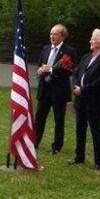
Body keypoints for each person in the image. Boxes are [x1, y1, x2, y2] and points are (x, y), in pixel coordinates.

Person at [70, 29, 100, 170]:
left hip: (92, 100)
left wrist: (83, 89)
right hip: (80, 100)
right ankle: (79, 157)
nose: (90, 41)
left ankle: (99, 162)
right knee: (79, 129)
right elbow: (76, 73)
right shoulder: (86, 57)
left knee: (95, 131)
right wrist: (75, 87)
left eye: (93, 39)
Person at [34, 24, 77, 154]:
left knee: (59, 119)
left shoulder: (69, 51)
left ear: (62, 36)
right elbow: (40, 63)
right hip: (45, 89)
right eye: (51, 34)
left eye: (55, 34)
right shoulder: (45, 49)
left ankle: (56, 146)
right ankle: (34, 141)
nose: (52, 36)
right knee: (39, 117)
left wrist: (51, 70)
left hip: (59, 91)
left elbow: (69, 70)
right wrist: (41, 70)